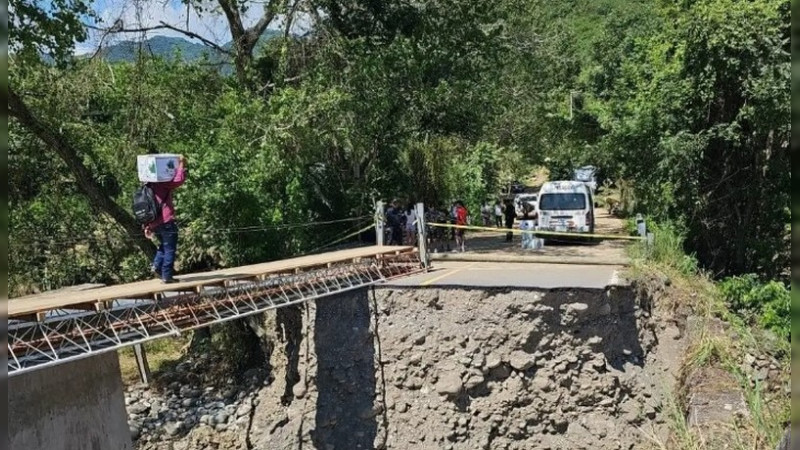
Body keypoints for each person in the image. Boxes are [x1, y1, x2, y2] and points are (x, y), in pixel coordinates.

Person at [144, 155, 187, 284]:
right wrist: (181, 164)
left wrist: (147, 225)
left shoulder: (147, 186)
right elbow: (178, 180)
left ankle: (157, 266)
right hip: (166, 220)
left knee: (164, 245)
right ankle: (167, 276)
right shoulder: (161, 183)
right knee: (170, 248)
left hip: (154, 223)